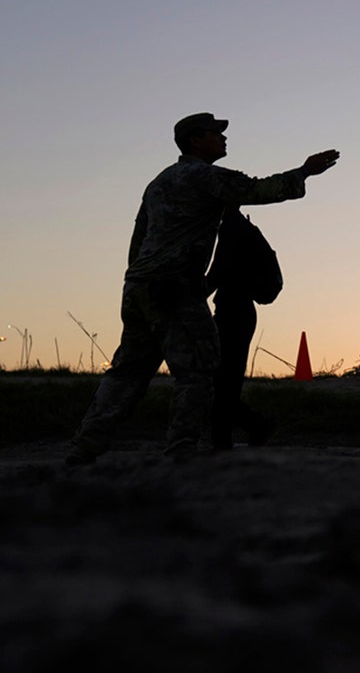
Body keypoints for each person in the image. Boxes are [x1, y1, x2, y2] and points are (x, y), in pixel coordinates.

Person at [65, 113, 339, 466]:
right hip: (174, 288)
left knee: (126, 373)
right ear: (196, 140)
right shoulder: (204, 177)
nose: (224, 139)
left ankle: (84, 447)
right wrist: (304, 171)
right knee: (198, 369)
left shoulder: (158, 183)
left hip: (139, 287)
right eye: (216, 134)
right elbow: (257, 190)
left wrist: (139, 280)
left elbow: (139, 240)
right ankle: (181, 451)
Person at [205, 207, 278, 451]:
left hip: (233, 312)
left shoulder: (231, 228)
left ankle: (235, 435)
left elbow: (218, 270)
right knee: (225, 379)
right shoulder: (240, 228)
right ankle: (236, 434)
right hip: (237, 311)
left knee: (222, 378)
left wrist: (193, 294)